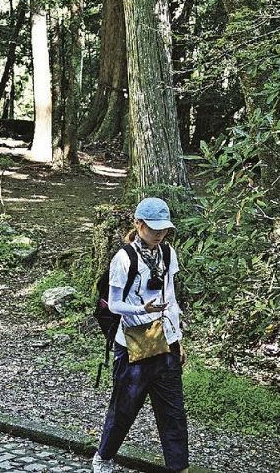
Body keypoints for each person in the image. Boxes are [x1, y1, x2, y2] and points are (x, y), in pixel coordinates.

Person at [93, 197, 188, 473]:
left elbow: (170, 298)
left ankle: (178, 467)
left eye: (164, 229)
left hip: (164, 343)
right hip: (132, 344)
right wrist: (141, 308)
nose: (159, 234)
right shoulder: (123, 259)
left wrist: (177, 340)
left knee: (173, 412)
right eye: (153, 228)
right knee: (124, 408)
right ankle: (103, 457)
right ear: (139, 224)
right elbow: (113, 304)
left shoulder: (168, 254)